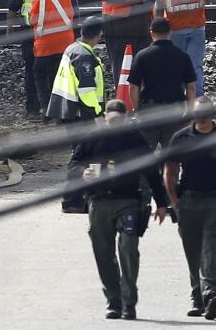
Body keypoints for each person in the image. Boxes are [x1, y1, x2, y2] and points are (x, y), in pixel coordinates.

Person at [68, 99, 169, 320]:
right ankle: (113, 301)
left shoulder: (134, 138)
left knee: (128, 248)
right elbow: (74, 163)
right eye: (111, 120)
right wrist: (82, 173)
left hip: (128, 201)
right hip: (99, 202)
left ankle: (128, 302)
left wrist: (162, 203)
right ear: (104, 117)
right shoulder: (92, 138)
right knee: (103, 254)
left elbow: (152, 171)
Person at [164, 97, 216, 320]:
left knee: (210, 250)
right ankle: (197, 299)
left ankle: (212, 295)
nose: (201, 117)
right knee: (192, 253)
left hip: (213, 203)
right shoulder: (181, 138)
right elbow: (169, 172)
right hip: (187, 203)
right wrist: (175, 202)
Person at [128, 17, 196, 149]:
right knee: (172, 157)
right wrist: (190, 112)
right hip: (175, 111)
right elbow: (191, 87)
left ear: (151, 32)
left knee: (146, 156)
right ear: (170, 33)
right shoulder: (182, 56)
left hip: (149, 111)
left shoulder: (142, 56)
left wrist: (137, 110)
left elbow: (133, 86)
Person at [6, 0, 57, 120]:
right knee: (53, 71)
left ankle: (33, 109)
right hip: (55, 33)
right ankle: (52, 108)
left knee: (32, 71)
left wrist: (9, 30)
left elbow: (12, 8)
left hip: (31, 33)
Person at [28, 0, 79, 123]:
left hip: (43, 47)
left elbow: (31, 21)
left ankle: (46, 107)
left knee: (40, 74)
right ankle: (61, 113)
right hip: (65, 46)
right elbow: (76, 17)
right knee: (62, 78)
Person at [47, 15, 105, 124]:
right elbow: (86, 90)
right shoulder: (84, 56)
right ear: (99, 35)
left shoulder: (72, 48)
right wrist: (97, 113)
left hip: (67, 109)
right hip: (80, 114)